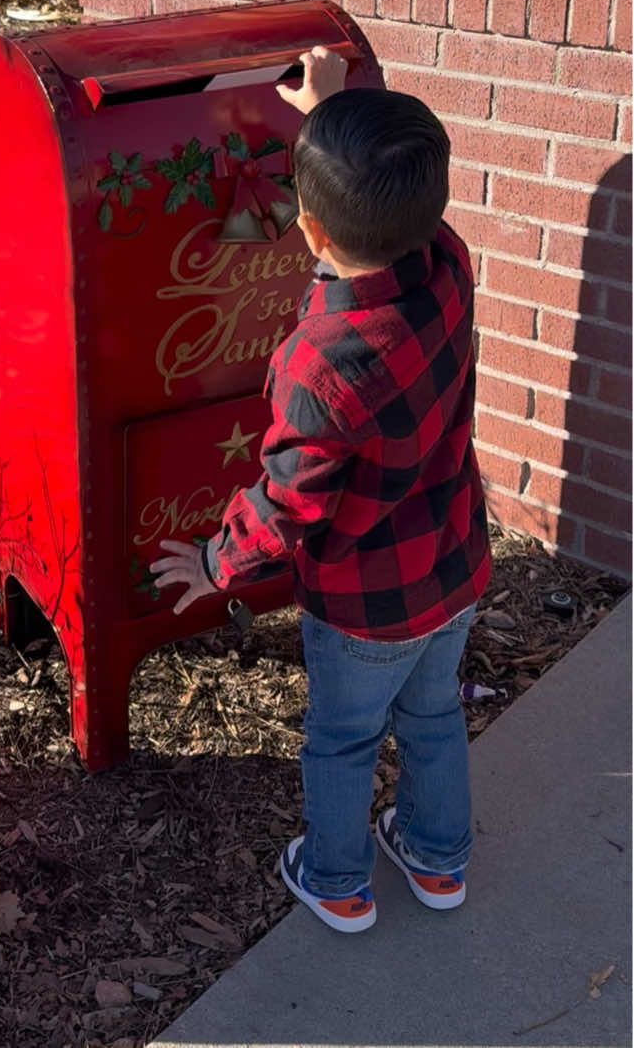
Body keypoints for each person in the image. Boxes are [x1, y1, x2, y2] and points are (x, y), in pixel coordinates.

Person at [151, 47, 491, 935]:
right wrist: (341, 108)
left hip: (362, 606)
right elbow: (388, 201)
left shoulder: (318, 363)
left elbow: (288, 502)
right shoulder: (448, 264)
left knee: (342, 739)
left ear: (306, 231)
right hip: (450, 568)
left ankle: (337, 879)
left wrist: (216, 561)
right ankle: (437, 856)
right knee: (431, 717)